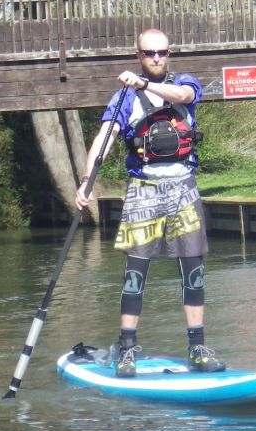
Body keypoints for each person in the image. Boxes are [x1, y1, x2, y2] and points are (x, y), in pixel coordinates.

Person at [74, 28, 226, 378]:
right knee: (135, 274)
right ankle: (127, 350)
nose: (156, 58)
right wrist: (86, 181)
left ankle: (197, 348)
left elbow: (183, 95)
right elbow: (104, 139)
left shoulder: (184, 83)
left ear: (169, 53)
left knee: (194, 272)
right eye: (148, 53)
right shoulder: (124, 98)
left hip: (183, 188)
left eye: (161, 52)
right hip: (143, 189)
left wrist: (143, 85)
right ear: (138, 56)